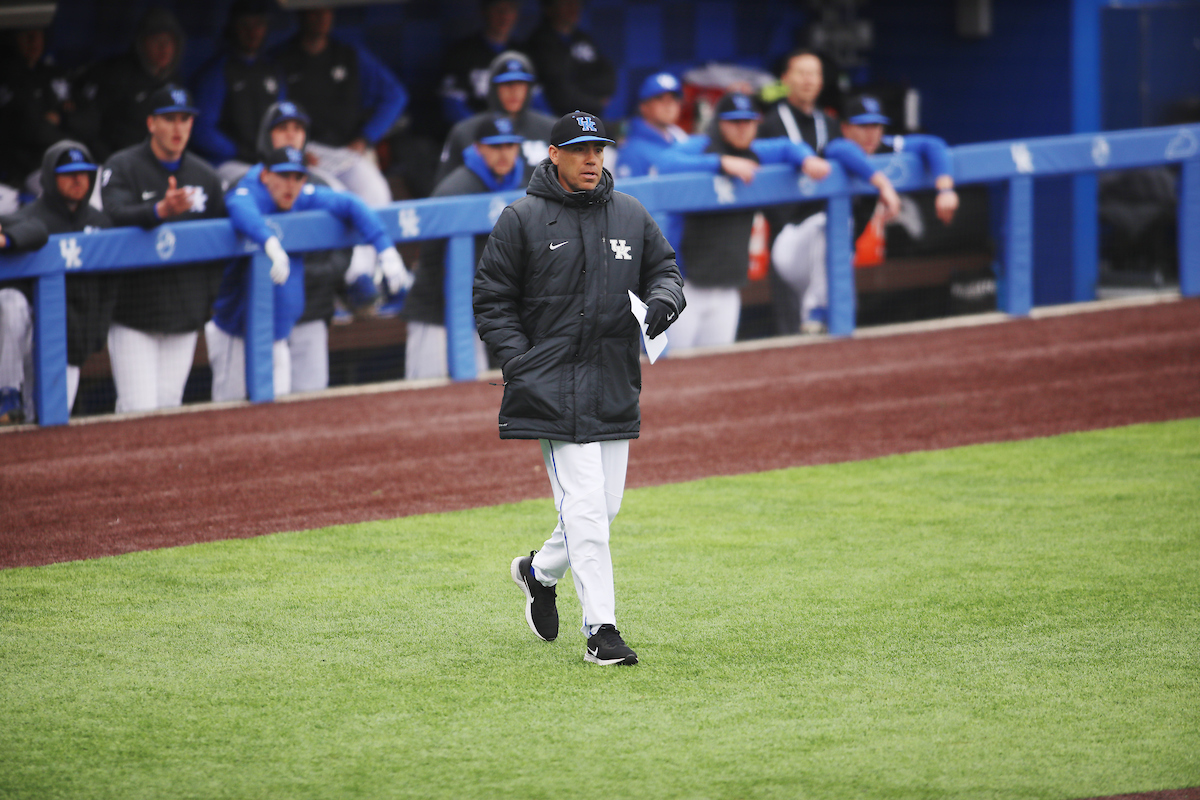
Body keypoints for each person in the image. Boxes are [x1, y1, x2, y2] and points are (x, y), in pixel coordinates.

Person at [473, 111, 685, 666]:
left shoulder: (630, 212)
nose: (592, 159)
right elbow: (491, 299)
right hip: (551, 385)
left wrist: (664, 300)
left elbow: (666, 270)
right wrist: (522, 363)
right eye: (579, 150)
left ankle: (538, 573)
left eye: (598, 149)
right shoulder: (521, 218)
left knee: (603, 508)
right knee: (586, 509)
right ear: (554, 155)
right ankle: (601, 632)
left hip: (614, 379)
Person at [214, 146, 409, 401]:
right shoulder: (250, 189)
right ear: (265, 175)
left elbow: (350, 203)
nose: (291, 184)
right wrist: (270, 242)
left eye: (298, 177)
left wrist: (385, 249)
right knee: (229, 413)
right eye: (284, 176)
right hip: (236, 333)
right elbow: (239, 206)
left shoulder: (300, 196)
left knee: (277, 413)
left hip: (277, 333)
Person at [653, 92, 831, 350]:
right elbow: (664, 162)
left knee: (717, 364)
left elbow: (787, 147)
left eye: (748, 121)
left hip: (727, 286)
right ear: (720, 123)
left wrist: (806, 158)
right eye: (734, 121)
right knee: (672, 363)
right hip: (684, 284)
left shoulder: (755, 150)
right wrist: (721, 162)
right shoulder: (703, 146)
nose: (742, 128)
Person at [771, 94, 951, 333]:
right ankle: (816, 309)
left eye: (876, 126)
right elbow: (842, 149)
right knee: (834, 227)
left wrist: (945, 189)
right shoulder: (835, 147)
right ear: (846, 128)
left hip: (831, 259)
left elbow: (933, 145)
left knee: (838, 319)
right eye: (863, 126)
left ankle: (820, 318)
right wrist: (883, 185)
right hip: (794, 248)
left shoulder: (884, 147)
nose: (871, 133)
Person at [101, 84, 227, 413]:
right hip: (133, 315)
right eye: (169, 119)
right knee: (137, 408)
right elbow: (113, 213)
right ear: (151, 123)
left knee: (169, 410)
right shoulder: (123, 165)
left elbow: (222, 244)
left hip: (184, 316)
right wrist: (159, 211)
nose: (178, 128)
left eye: (185, 119)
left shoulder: (205, 176)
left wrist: (206, 301)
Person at [404, 115, 531, 380]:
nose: (504, 154)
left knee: (475, 391)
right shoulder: (456, 189)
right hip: (435, 311)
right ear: (478, 148)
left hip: (480, 313)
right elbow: (431, 255)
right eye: (495, 146)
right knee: (425, 391)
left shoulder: (523, 185)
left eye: (509, 145)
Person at [273, 6, 407, 208]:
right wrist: (291, 152)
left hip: (346, 151)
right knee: (338, 201)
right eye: (314, 10)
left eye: (326, 9)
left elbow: (395, 96)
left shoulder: (348, 54)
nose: (322, 17)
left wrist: (365, 138)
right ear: (300, 13)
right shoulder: (280, 59)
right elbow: (270, 116)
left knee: (377, 195)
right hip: (306, 154)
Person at [756, 48, 839, 334]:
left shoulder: (829, 123)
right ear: (785, 79)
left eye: (814, 74)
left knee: (831, 324)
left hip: (825, 234)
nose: (808, 80)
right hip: (786, 233)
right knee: (792, 327)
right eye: (801, 73)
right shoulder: (770, 123)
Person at [190, 0, 284, 186]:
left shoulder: (272, 70)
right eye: (245, 25)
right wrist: (237, 150)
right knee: (265, 187)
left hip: (264, 161)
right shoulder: (217, 72)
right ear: (233, 27)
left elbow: (283, 118)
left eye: (258, 25)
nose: (252, 32)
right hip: (227, 163)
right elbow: (201, 130)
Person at [0, 26, 100, 196]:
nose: (33, 40)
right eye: (26, 34)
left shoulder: (56, 74)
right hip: (33, 168)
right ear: (13, 38)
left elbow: (92, 121)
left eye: (38, 33)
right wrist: (71, 130)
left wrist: (63, 118)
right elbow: (31, 130)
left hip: (77, 161)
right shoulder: (7, 79)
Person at [79, 8, 187, 160]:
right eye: (156, 40)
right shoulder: (117, 75)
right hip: (116, 160)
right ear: (141, 43)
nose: (164, 48)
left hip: (158, 163)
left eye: (169, 41)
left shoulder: (175, 81)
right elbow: (90, 129)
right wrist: (113, 163)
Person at [435, 50, 556, 186]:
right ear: (493, 87)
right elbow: (445, 187)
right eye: (507, 84)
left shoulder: (552, 130)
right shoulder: (464, 132)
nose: (514, 91)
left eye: (520, 84)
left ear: (530, 88)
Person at [520, 0, 615, 118]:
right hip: (556, 120)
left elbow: (608, 77)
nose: (573, 8)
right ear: (549, 9)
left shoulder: (583, 38)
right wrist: (597, 102)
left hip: (588, 118)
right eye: (567, 3)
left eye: (576, 3)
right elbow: (560, 94)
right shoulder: (539, 43)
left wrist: (579, 84)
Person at [438, 0, 523, 127]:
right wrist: (486, 131)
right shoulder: (462, 53)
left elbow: (537, 103)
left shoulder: (522, 54)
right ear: (484, 12)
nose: (504, 15)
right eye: (498, 9)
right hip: (476, 132)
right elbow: (452, 108)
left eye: (510, 9)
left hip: (517, 132)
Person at [0, 211, 50, 424]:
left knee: (12, 302)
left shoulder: (6, 222)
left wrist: (5, 239)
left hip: (13, 343)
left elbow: (39, 229)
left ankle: (8, 394)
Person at [614, 72, 688, 180]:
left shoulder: (680, 137)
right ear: (644, 106)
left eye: (674, 98)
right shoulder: (632, 148)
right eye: (660, 99)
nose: (669, 105)